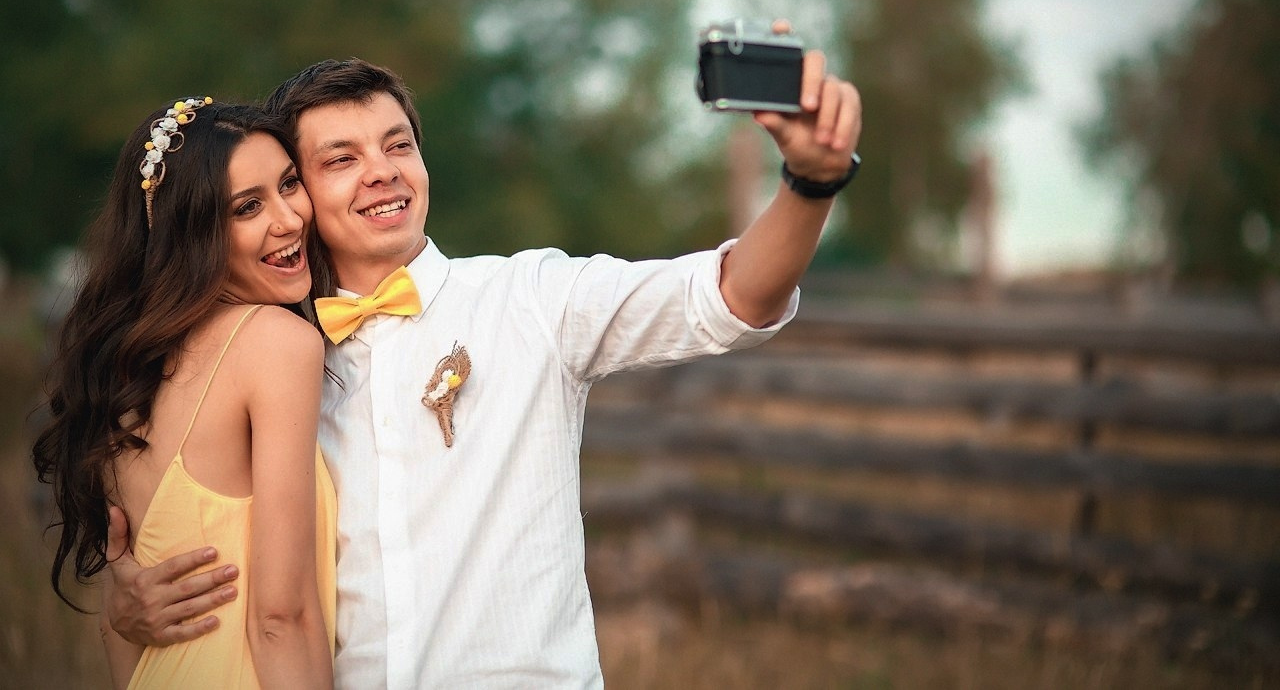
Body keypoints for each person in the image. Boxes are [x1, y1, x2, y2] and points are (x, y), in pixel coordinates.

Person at [105, 39, 862, 687]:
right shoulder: (277, 355)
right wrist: (125, 606)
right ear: (301, 196)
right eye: (341, 159)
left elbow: (733, 294)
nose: (382, 170)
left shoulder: (530, 298)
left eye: (398, 145)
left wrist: (812, 183)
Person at [32, 100, 337, 689]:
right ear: (192, 233)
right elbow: (282, 617)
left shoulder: (124, 380)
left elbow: (120, 629)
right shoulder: (276, 343)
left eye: (288, 184)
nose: (290, 219)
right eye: (247, 207)